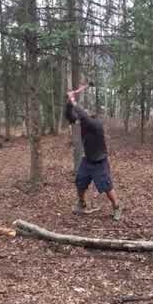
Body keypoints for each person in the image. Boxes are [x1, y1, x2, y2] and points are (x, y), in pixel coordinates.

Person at [65, 86, 122, 221]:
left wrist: (73, 99)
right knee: (80, 182)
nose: (82, 119)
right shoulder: (84, 123)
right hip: (87, 160)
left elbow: (83, 116)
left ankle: (117, 206)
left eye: (86, 116)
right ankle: (82, 204)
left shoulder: (96, 125)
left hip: (99, 161)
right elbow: (70, 116)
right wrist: (68, 103)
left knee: (106, 186)